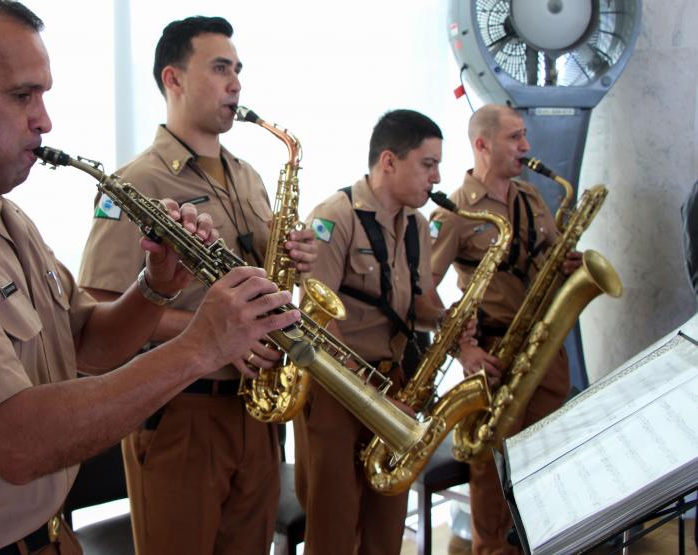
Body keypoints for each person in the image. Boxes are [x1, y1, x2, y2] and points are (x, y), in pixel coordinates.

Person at [0, 2, 299, 554]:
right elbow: (16, 443)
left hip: (50, 537)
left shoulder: (6, 219)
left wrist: (156, 286)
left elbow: (87, 342)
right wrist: (202, 344)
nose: (45, 120)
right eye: (22, 95)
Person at [77, 15, 317, 555]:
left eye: (237, 69)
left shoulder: (251, 176)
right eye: (219, 68)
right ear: (174, 79)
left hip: (255, 412)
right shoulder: (137, 184)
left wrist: (296, 259)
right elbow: (99, 307)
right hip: (183, 413)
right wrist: (216, 334)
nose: (235, 83)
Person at [292, 109, 449, 555]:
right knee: (334, 530)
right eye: (428, 163)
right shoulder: (333, 216)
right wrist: (373, 397)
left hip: (392, 387)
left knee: (386, 528)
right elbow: (316, 320)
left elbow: (415, 304)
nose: (437, 177)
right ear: (389, 161)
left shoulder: (418, 226)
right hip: (337, 392)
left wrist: (446, 319)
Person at [429, 103, 582, 554]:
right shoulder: (453, 211)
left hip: (544, 343)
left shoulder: (531, 197)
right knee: (493, 466)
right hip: (496, 353)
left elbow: (550, 259)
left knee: (546, 454)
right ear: (483, 144)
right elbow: (423, 293)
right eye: (515, 137)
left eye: (524, 136)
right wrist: (464, 351)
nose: (526, 146)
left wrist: (567, 266)